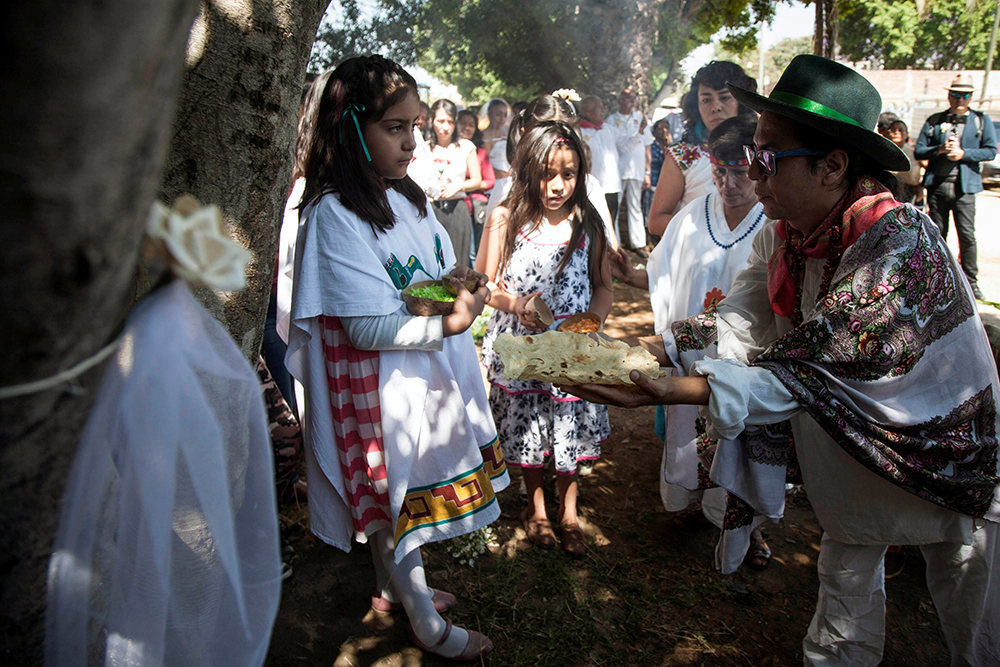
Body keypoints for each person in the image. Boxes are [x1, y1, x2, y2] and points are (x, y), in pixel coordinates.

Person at [566, 55, 1000, 666]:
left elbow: (814, 364)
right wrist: (639, 354)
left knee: (972, 609)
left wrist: (671, 389)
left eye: (768, 158)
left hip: (949, 458)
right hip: (854, 448)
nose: (751, 172)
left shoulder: (899, 244)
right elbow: (735, 317)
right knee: (844, 593)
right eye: (752, 155)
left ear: (833, 166)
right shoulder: (785, 233)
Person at [281, 55, 509, 661]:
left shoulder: (407, 197)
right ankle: (426, 625)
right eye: (395, 128)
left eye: (415, 126)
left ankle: (394, 588)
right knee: (394, 501)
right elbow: (365, 326)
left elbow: (425, 279)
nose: (413, 142)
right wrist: (452, 321)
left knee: (396, 504)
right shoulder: (334, 213)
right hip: (376, 388)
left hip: (417, 374)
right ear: (350, 129)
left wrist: (456, 284)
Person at [611, 115, 773, 567]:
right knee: (692, 437)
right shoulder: (693, 216)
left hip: (745, 365)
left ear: (758, 166)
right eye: (719, 171)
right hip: (690, 360)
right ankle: (698, 505)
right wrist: (631, 275)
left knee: (743, 440)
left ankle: (748, 527)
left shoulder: (774, 223)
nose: (728, 183)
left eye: (739, 172)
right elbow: (667, 273)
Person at [477, 121, 614, 557]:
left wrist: (590, 325)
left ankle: (569, 510)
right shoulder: (505, 219)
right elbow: (483, 284)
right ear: (527, 171)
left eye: (568, 175)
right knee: (529, 425)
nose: (557, 186)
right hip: (521, 349)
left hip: (571, 352)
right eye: (546, 174)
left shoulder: (587, 223)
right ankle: (536, 508)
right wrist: (514, 303)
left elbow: (604, 287)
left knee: (568, 422)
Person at [483, 94, 618, 249]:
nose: (554, 140)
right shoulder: (507, 189)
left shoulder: (589, 186)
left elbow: (609, 247)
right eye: (545, 133)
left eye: (563, 132)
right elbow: (490, 253)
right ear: (525, 134)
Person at [648, 61, 757, 236]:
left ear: (741, 102)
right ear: (696, 106)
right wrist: (708, 237)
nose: (715, 107)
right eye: (706, 100)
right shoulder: (682, 155)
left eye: (725, 97)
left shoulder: (761, 150)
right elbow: (656, 221)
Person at [915, 73, 997, 300]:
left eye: (965, 95)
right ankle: (935, 278)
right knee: (937, 234)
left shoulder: (980, 120)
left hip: (965, 188)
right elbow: (919, 150)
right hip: (938, 185)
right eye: (956, 94)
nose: (960, 99)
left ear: (971, 97)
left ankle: (971, 282)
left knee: (967, 235)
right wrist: (940, 149)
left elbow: (991, 150)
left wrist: (963, 154)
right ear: (949, 95)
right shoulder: (935, 120)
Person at [426, 98, 483, 269]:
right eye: (440, 121)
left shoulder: (466, 146)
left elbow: (477, 180)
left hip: (457, 208)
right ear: (432, 121)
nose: (445, 127)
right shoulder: (424, 148)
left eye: (450, 122)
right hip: (431, 209)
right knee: (433, 259)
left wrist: (459, 186)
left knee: (458, 261)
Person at [605, 88, 653, 250]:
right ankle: (614, 243)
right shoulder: (611, 120)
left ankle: (638, 244)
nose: (632, 101)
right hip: (616, 171)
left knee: (635, 206)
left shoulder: (640, 119)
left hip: (637, 170)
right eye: (628, 98)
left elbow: (647, 146)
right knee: (614, 207)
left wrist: (647, 172)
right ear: (619, 101)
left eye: (634, 98)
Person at [457, 108, 496, 258]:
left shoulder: (480, 152)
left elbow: (490, 181)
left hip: (474, 208)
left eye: (471, 125)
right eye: (463, 123)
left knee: (473, 251)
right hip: (454, 207)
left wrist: (471, 184)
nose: (467, 128)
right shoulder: (450, 151)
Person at [579, 95, 622, 223]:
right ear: (588, 112)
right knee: (592, 221)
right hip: (591, 186)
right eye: (599, 107)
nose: (603, 110)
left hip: (611, 186)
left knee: (610, 221)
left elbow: (626, 145)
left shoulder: (609, 129)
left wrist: (639, 133)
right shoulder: (579, 131)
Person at [887, 119, 923, 204]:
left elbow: (927, 168)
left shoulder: (914, 150)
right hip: (889, 190)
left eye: (900, 130)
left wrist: (921, 186)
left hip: (911, 191)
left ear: (906, 134)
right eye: (893, 130)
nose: (896, 132)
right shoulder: (885, 151)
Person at [479, 97, 511, 178]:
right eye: (498, 114)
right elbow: (483, 163)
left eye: (505, 115)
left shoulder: (508, 134)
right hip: (494, 177)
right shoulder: (483, 136)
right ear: (489, 115)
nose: (502, 119)